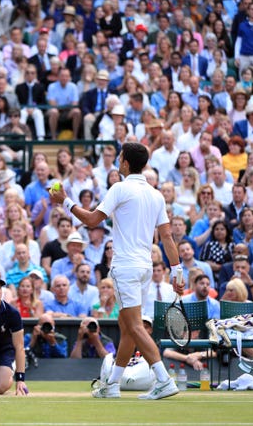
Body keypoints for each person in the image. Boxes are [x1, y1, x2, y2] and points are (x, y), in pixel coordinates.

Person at [50, 142, 183, 400]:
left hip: (126, 268)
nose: (117, 162)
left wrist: (64, 201)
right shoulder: (156, 195)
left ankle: (164, 380)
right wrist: (177, 272)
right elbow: (167, 237)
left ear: (124, 163)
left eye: (119, 157)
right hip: (144, 268)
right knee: (126, 325)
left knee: (133, 326)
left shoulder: (119, 188)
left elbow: (90, 220)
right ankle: (112, 385)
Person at [0, 274, 28, 395]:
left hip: (4, 352)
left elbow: (19, 346)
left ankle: (8, 373)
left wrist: (20, 379)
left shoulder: (12, 313)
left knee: (1, 385)